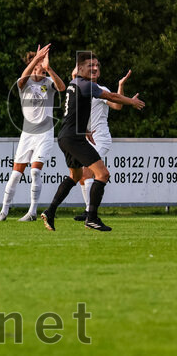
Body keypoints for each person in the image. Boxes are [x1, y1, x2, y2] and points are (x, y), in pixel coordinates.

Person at [41, 50, 145, 232]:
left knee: (76, 176)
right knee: (103, 174)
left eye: (97, 65)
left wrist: (85, 129)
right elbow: (112, 98)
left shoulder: (74, 83)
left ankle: (50, 212)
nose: (95, 68)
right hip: (74, 138)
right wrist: (131, 101)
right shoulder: (86, 85)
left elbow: (75, 110)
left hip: (66, 136)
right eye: (90, 65)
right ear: (79, 68)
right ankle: (92, 217)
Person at [0, 45, 65, 221]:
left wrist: (48, 68)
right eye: (37, 67)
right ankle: (4, 211)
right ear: (32, 66)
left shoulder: (48, 83)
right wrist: (37, 59)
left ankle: (32, 212)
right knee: (16, 174)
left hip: (45, 134)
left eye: (42, 69)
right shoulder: (24, 83)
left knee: (35, 172)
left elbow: (62, 88)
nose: (39, 71)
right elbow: (22, 78)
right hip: (27, 134)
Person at [74, 67, 131, 222]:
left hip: (101, 138)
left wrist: (121, 85)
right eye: (91, 68)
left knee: (87, 172)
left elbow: (117, 105)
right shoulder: (80, 90)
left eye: (97, 69)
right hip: (87, 139)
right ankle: (88, 211)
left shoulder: (101, 90)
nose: (94, 70)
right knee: (81, 176)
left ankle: (90, 212)